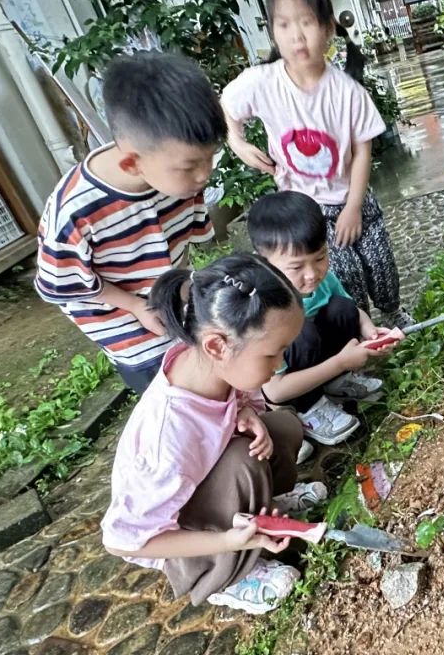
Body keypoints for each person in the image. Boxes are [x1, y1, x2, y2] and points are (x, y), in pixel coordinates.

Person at [101, 253, 328, 615]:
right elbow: (122, 541)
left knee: (281, 425)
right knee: (243, 463)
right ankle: (224, 574)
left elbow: (237, 405)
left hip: (208, 481)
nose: (280, 364)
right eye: (273, 354)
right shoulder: (169, 437)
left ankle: (259, 513)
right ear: (217, 345)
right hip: (175, 536)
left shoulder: (213, 366)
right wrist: (224, 540)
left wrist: (247, 412)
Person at [222, 0, 413, 329]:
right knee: (344, 275)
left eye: (306, 22)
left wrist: (354, 207)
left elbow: (361, 152)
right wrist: (238, 142)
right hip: (306, 210)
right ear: (272, 31)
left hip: (354, 197)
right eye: (283, 25)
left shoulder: (348, 92)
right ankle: (359, 331)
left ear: (327, 28)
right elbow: (228, 110)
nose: (296, 36)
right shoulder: (261, 84)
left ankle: (393, 311)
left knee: (380, 262)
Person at [34, 52, 222, 394]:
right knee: (167, 391)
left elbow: (180, 250)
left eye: (209, 158)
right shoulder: (75, 212)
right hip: (121, 321)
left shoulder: (179, 178)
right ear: (132, 164)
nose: (205, 174)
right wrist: (137, 306)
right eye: (192, 165)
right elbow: (64, 286)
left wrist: (178, 295)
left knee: (206, 369)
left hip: (172, 294)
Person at [247, 191, 403, 452]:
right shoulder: (263, 311)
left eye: (320, 257)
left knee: (342, 308)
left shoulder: (323, 279)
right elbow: (274, 392)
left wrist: (369, 331)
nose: (312, 274)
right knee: (302, 332)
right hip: (288, 392)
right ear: (264, 263)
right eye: (296, 267)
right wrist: (340, 362)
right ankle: (309, 409)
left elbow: (352, 311)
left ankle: (336, 384)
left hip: (322, 360)